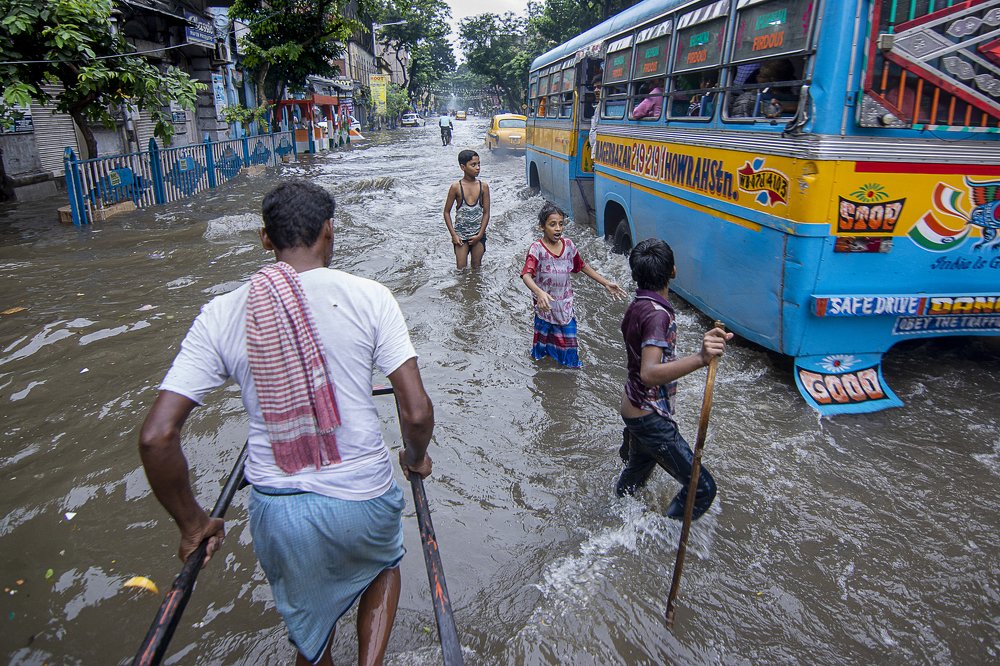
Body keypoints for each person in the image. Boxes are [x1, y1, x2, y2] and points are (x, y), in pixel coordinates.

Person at [138, 180, 435, 666]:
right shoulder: (371, 297)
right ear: (329, 232)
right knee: (383, 565)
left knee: (309, 633)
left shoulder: (223, 312)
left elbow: (156, 437)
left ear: (264, 240)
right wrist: (415, 458)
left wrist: (193, 525)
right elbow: (417, 411)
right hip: (364, 493)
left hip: (279, 511)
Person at [616, 238, 733, 520]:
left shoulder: (638, 306)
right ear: (673, 271)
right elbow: (649, 373)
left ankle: (617, 524)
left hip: (634, 407)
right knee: (702, 488)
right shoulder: (658, 316)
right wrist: (701, 358)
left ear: (635, 274)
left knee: (634, 481)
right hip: (648, 414)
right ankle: (664, 538)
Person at [520, 203, 627, 367]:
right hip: (545, 309)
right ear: (542, 227)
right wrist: (539, 292)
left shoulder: (568, 246)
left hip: (565, 309)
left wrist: (605, 283)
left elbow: (582, 266)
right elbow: (526, 275)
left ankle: (570, 380)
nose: (558, 229)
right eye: (552, 224)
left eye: (561, 224)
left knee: (570, 355)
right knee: (541, 355)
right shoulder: (536, 249)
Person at [443, 149, 491, 270]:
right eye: (473, 165)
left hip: (478, 234)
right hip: (460, 236)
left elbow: (486, 213)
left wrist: (480, 235)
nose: (477, 168)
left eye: (479, 164)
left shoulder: (483, 187)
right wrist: (454, 235)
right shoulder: (456, 187)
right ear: (463, 167)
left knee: (476, 268)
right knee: (461, 269)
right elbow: (446, 212)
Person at [588, 76, 602, 161]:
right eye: (595, 88)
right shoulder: (598, 106)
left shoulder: (605, 106)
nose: (596, 90)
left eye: (599, 87)